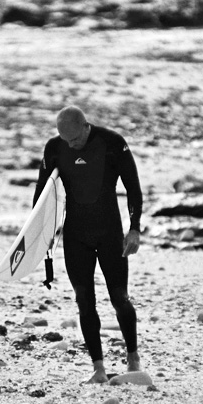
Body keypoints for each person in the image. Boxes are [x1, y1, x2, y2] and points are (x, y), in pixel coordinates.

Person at [33, 106, 143, 384]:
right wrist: (40, 234)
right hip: (75, 235)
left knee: (120, 298)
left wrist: (134, 229)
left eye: (76, 140)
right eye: (66, 141)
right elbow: (42, 193)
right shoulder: (55, 148)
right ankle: (99, 368)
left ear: (85, 126)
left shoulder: (112, 143)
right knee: (85, 302)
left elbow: (133, 188)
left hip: (110, 232)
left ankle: (133, 358)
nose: (72, 145)